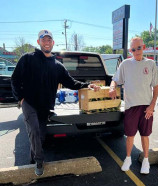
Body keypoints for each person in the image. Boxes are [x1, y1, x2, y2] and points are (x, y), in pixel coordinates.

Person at [11, 30, 100, 176]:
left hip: (45, 106)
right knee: (33, 130)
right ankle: (40, 162)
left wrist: (87, 85)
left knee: (40, 136)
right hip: (29, 103)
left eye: (49, 40)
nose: (46, 42)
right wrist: (20, 98)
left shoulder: (57, 66)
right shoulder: (27, 58)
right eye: (43, 39)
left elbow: (71, 82)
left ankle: (32, 162)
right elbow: (15, 79)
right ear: (38, 42)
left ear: (52, 43)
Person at [109, 37, 158, 174]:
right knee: (130, 135)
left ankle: (145, 161)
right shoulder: (125, 64)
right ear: (130, 50)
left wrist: (152, 106)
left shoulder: (150, 64)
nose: (136, 51)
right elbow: (115, 80)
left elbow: (156, 87)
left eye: (139, 48)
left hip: (146, 107)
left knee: (145, 135)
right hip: (131, 106)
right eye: (133, 49)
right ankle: (128, 158)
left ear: (143, 47)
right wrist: (112, 88)